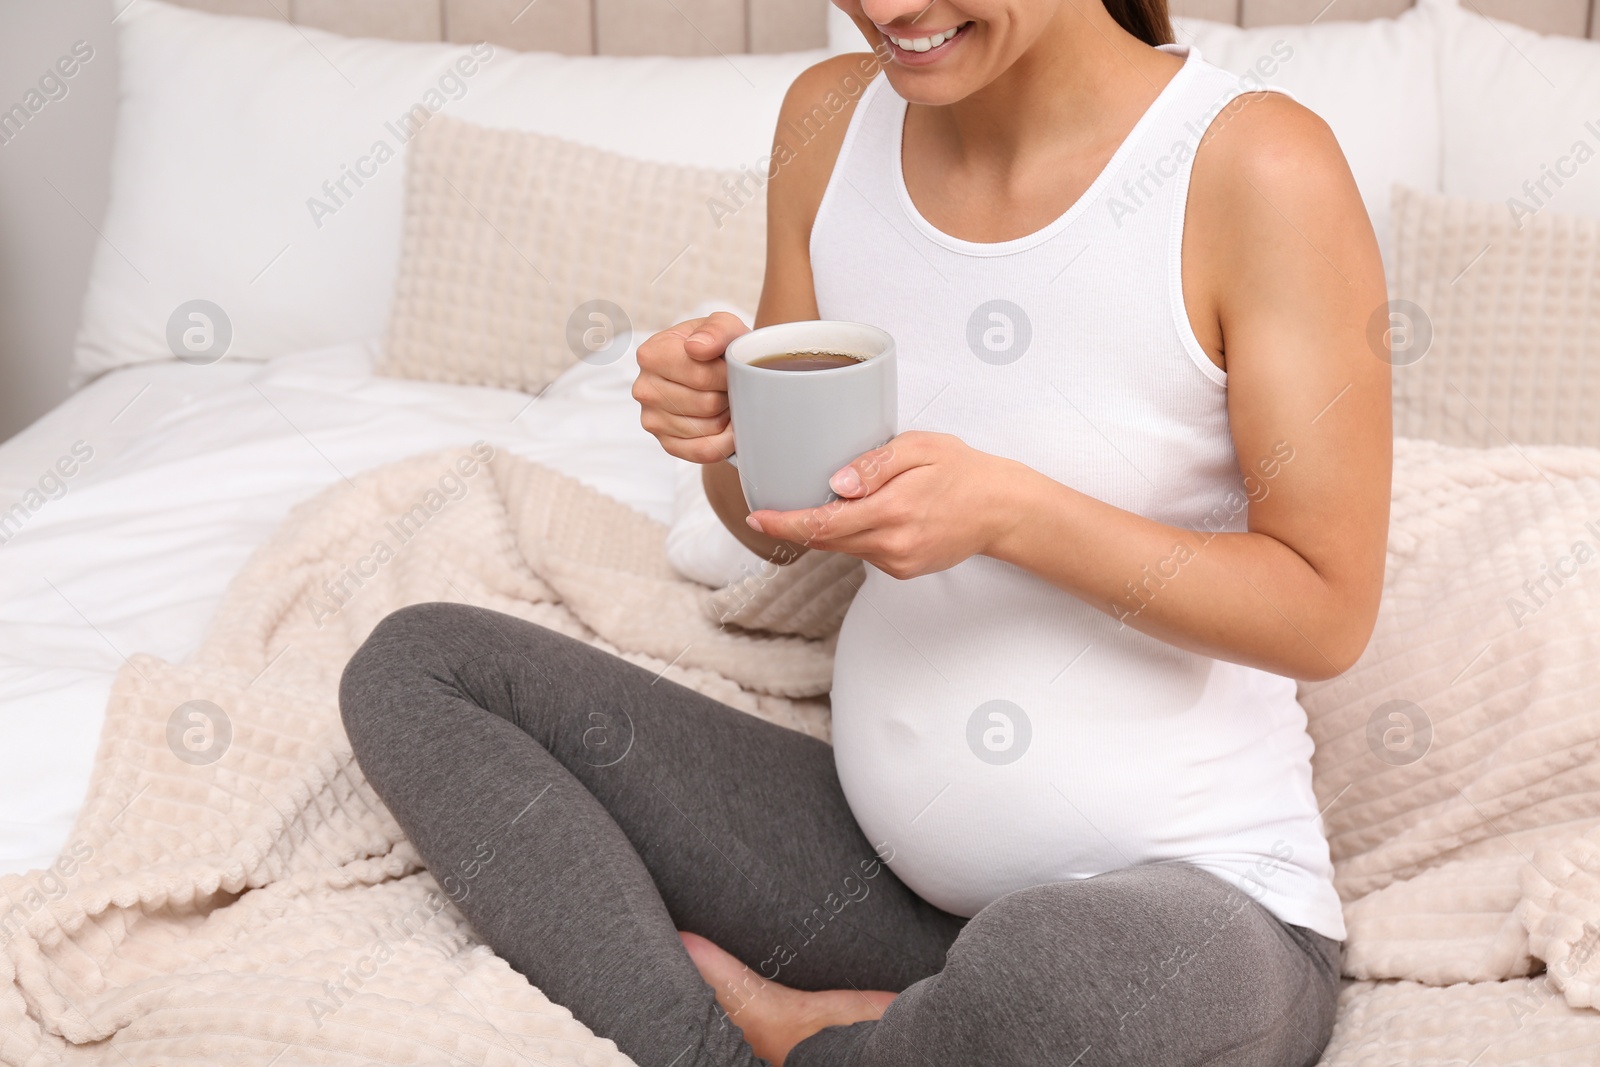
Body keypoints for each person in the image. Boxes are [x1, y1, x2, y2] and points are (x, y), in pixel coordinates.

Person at [339, 1, 1391, 1064]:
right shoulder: (832, 121)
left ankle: (821, 1038)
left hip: (1196, 915)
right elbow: (782, 529)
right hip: (875, 885)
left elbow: (1325, 609)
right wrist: (724, 436)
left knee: (1065, 978)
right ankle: (745, 1042)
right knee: (421, 668)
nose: (887, 9)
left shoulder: (1254, 164)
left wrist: (1013, 514)